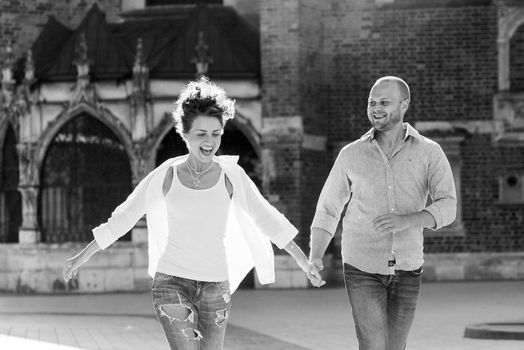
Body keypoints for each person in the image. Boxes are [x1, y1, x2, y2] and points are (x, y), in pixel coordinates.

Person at [63, 77, 324, 350]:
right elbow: (124, 218)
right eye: (201, 134)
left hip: (215, 288)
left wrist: (304, 262)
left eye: (216, 133)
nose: (210, 141)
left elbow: (267, 219)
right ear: (184, 133)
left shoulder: (231, 176)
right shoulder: (167, 175)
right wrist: (81, 257)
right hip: (171, 284)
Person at [309, 76, 456, 350]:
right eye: (372, 102)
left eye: (384, 102)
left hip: (408, 266)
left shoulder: (429, 153)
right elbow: (328, 208)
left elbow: (448, 205)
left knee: (394, 346)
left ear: (404, 105)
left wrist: (408, 220)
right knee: (374, 345)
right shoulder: (351, 154)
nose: (376, 108)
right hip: (361, 265)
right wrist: (316, 256)